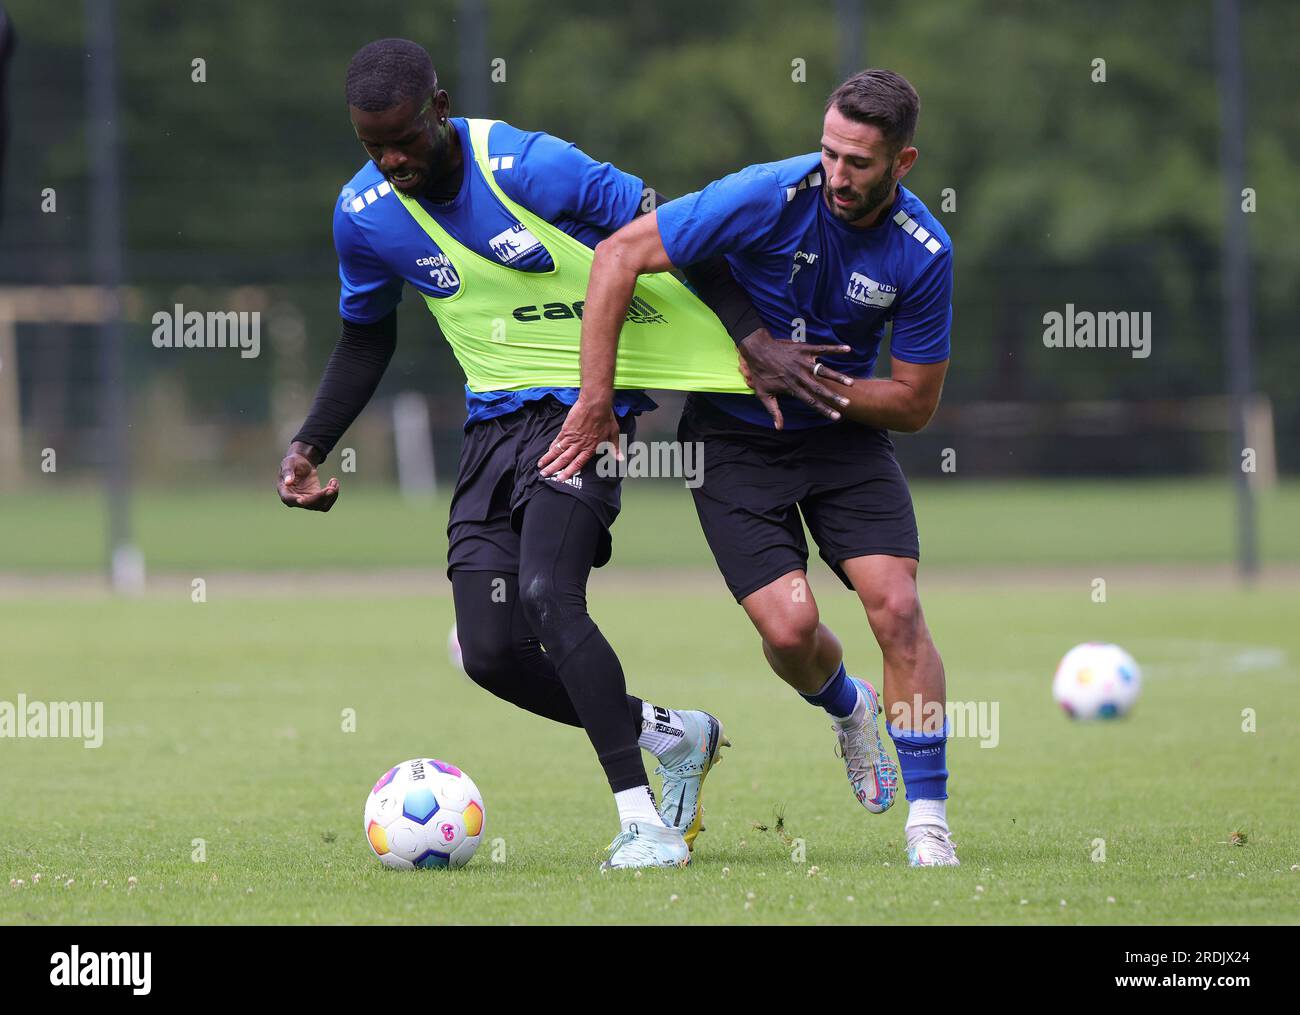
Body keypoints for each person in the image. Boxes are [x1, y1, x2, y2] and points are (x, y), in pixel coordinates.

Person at [277, 39, 839, 870]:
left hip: (588, 414)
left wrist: (749, 338)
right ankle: (674, 735)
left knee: (547, 592)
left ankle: (644, 823)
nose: (391, 159)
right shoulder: (363, 216)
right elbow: (366, 338)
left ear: (439, 108)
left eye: (403, 138)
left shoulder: (529, 165)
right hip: (490, 431)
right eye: (372, 145)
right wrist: (309, 443)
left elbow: (675, 231)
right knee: (489, 652)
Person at [542, 69, 959, 867]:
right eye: (831, 152)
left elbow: (913, 404)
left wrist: (812, 381)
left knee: (897, 608)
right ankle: (848, 707)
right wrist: (596, 401)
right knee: (792, 628)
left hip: (844, 441)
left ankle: (929, 825)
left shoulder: (924, 251)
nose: (837, 174)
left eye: (859, 163)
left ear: (902, 164)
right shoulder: (768, 193)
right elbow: (619, 256)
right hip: (734, 444)